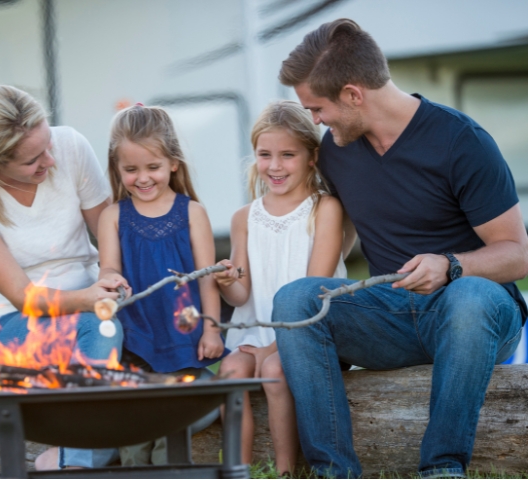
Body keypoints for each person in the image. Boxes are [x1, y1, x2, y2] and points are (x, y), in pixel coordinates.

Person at [272, 18, 528, 479]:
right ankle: (334, 472)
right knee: (294, 299)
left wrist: (450, 266)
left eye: (317, 108)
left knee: (469, 298)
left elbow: (517, 254)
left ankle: (442, 468)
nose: (315, 121)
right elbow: (341, 230)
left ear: (353, 94)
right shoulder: (337, 150)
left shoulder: (461, 142)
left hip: (475, 311)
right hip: (391, 314)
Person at [0, 84, 125, 470]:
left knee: (114, 329)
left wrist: (108, 272)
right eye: (33, 160)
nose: (51, 161)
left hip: (90, 304)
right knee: (100, 327)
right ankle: (78, 460)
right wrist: (91, 299)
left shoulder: (70, 145)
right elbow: (24, 297)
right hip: (13, 325)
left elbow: (107, 227)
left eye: (48, 145)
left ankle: (88, 448)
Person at [212, 100, 347, 475]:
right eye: (264, 154)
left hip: (309, 332)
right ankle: (238, 469)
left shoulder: (325, 209)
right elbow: (242, 294)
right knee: (231, 371)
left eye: (287, 154)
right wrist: (227, 284)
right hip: (254, 333)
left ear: (311, 156)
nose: (274, 166)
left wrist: (274, 345)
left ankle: (285, 469)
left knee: (274, 369)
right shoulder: (244, 217)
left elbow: (315, 288)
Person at [97, 103, 228, 465]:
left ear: (173, 163)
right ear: (117, 169)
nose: (143, 178)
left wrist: (212, 330)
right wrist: (108, 276)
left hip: (182, 332)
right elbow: (108, 265)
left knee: (172, 419)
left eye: (153, 167)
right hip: (135, 334)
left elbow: (207, 279)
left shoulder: (192, 213)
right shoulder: (113, 216)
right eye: (131, 169)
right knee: (135, 424)